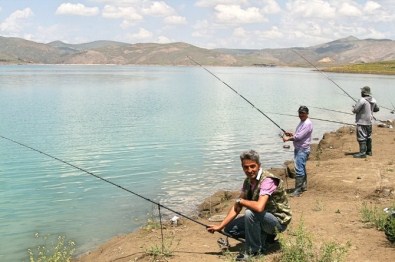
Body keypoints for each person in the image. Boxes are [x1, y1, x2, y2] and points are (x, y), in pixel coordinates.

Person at [206, 150, 292, 261]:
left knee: (250, 213)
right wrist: (220, 226)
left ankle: (254, 251)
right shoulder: (248, 181)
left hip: (278, 221)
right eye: (246, 167)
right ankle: (265, 239)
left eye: (252, 166)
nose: (249, 170)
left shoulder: (268, 180)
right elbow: (237, 206)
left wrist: (241, 201)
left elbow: (259, 207)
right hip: (262, 218)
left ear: (259, 165)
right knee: (230, 230)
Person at [282, 106, 313, 197]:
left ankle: (298, 191)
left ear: (307, 113)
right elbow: (299, 135)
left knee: (299, 169)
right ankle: (303, 186)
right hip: (300, 148)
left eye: (303, 113)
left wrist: (287, 138)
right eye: (300, 113)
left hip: (302, 149)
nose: (301, 115)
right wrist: (292, 134)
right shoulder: (302, 122)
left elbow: (298, 137)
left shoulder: (307, 123)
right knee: (301, 168)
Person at [352, 86, 379, 158]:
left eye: (361, 91)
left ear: (363, 93)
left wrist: (354, 106)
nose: (361, 93)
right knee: (368, 136)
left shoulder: (362, 100)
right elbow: (377, 109)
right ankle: (369, 151)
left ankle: (362, 153)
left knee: (361, 137)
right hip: (369, 122)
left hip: (362, 122)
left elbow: (355, 110)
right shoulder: (373, 100)